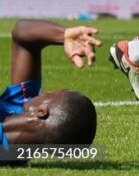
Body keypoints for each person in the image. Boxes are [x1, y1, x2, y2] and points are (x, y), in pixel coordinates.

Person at [0, 20, 100, 161]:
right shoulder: (20, 106)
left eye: (50, 93)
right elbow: (22, 33)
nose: (44, 92)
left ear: (41, 112)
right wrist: (64, 35)